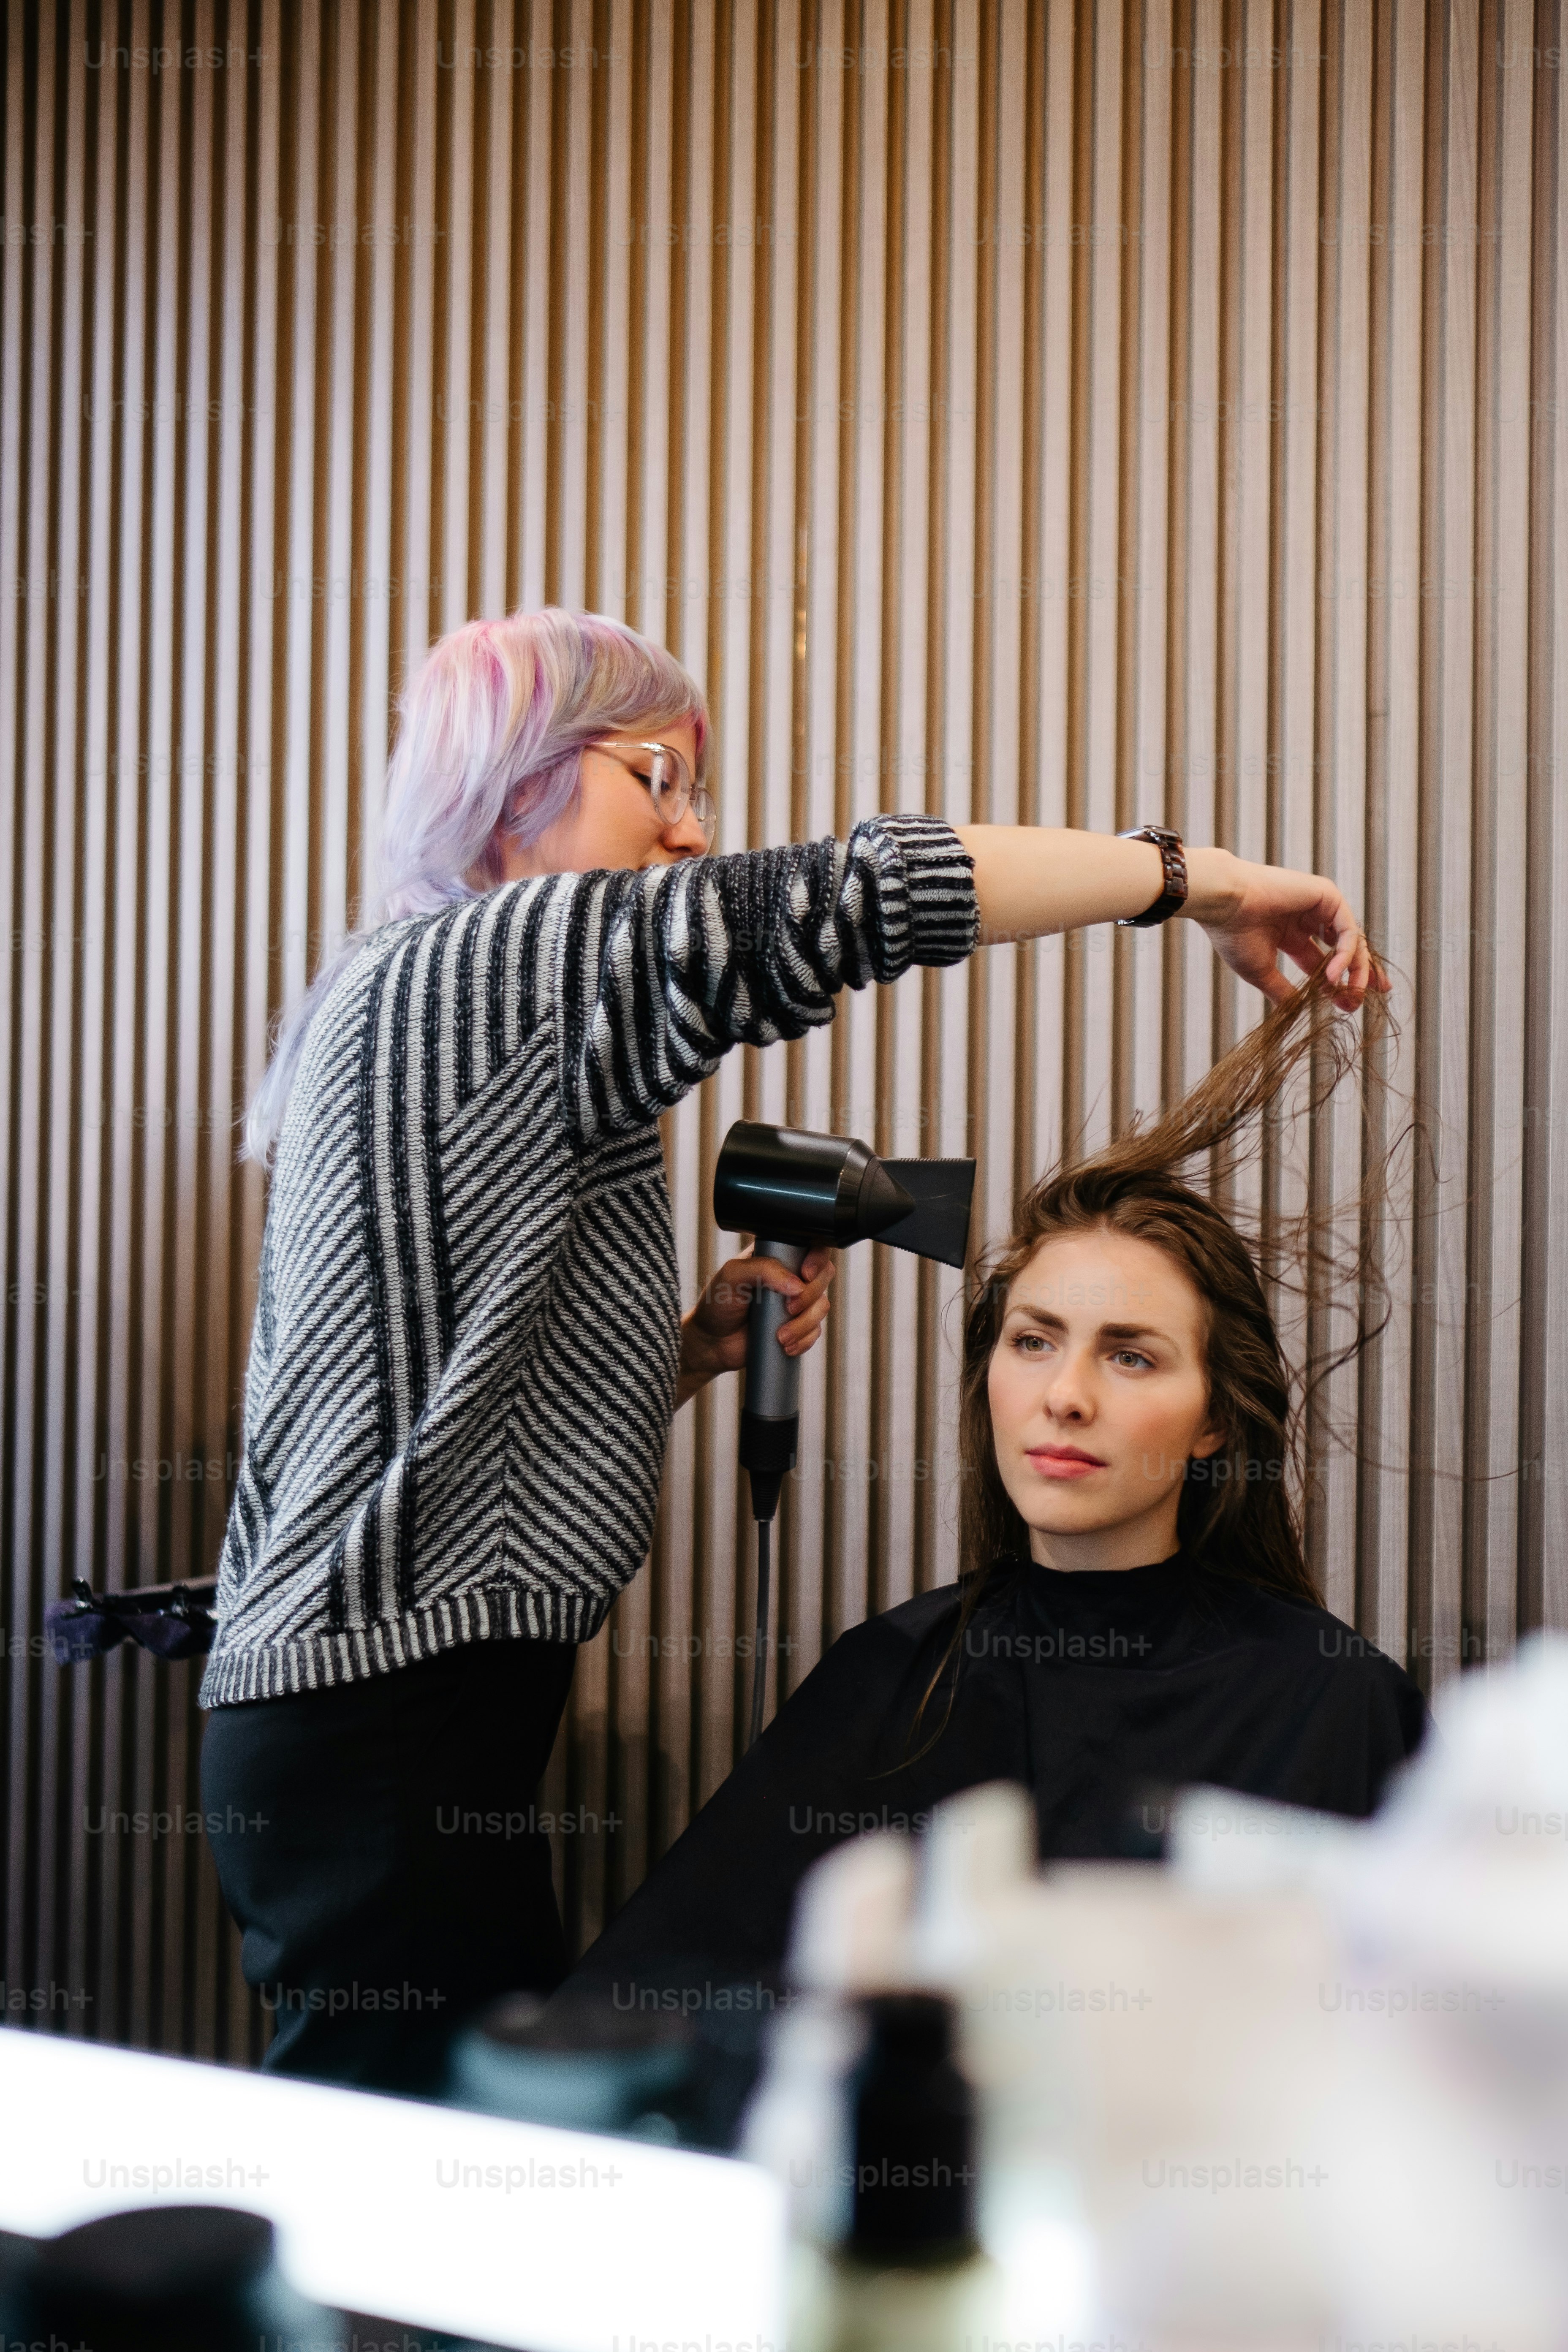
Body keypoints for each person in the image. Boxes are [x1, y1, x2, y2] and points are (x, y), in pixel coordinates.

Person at [199, 604, 1382, 2090]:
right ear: (520, 774)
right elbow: (872, 893)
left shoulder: (440, 993)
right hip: (384, 1718)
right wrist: (1200, 884)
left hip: (388, 1704)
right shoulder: (502, 963)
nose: (692, 834)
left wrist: (681, 1352)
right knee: (418, 2175)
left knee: (461, 2134)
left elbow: (431, 1376)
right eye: (658, 777)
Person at [561, 970, 1427, 2000]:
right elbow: (645, 2002)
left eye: (1132, 1356)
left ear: (1212, 1423)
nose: (1063, 1396)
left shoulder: (1331, 1702)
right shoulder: (892, 1680)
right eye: (1033, 1341)